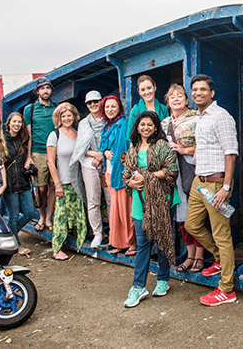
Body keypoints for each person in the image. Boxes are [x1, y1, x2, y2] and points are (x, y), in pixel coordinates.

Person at [184, 74, 239, 306]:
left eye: (203, 90)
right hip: (200, 181)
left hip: (217, 183)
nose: (198, 93)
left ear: (212, 93)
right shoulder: (200, 117)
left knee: (221, 235)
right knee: (191, 225)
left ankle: (226, 289)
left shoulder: (221, 116)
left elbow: (231, 152)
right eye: (195, 90)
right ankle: (218, 259)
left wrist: (225, 187)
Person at [122, 111, 179, 307]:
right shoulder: (133, 148)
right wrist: (130, 182)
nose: (146, 128)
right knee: (143, 243)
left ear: (156, 128)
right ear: (137, 127)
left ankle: (163, 279)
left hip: (162, 200)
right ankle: (138, 287)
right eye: (142, 124)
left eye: (150, 125)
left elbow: (171, 171)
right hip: (140, 201)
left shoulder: (162, 146)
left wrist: (146, 177)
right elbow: (126, 174)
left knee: (162, 239)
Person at [160, 84, 204, 273]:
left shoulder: (196, 119)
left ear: (187, 100)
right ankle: (190, 254)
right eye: (172, 97)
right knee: (180, 217)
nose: (176, 99)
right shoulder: (163, 123)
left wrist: (184, 150)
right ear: (168, 102)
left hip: (191, 170)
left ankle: (201, 256)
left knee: (197, 215)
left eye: (180, 96)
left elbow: (206, 146)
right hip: (173, 174)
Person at [46, 103, 87, 261]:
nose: (67, 118)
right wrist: (57, 184)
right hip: (62, 181)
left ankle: (78, 242)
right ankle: (56, 249)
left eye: (69, 115)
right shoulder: (54, 135)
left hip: (77, 181)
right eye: (64, 116)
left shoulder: (76, 133)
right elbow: (51, 162)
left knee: (78, 213)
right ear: (59, 118)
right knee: (61, 216)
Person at [70, 90, 110, 248]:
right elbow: (80, 148)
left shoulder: (109, 120)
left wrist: (102, 156)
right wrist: (96, 154)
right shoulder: (83, 124)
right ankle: (97, 234)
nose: (93, 105)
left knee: (110, 200)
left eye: (96, 101)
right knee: (93, 200)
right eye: (90, 103)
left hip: (108, 164)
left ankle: (113, 232)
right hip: (89, 165)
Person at [99, 95, 136, 256]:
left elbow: (123, 148)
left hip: (120, 172)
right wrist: (105, 151)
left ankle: (131, 243)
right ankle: (118, 242)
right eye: (107, 107)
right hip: (109, 173)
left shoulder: (123, 124)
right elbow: (103, 146)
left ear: (119, 108)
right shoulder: (106, 127)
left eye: (113, 106)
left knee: (125, 210)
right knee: (115, 211)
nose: (110, 110)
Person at [24, 76, 58, 232]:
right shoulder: (29, 109)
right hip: (38, 152)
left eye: (48, 88)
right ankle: (41, 216)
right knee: (41, 188)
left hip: (55, 152)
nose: (46, 91)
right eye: (42, 88)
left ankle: (49, 218)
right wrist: (28, 157)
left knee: (52, 186)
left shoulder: (56, 108)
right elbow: (28, 135)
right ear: (37, 91)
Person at [3, 112, 38, 256]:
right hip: (10, 183)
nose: (17, 124)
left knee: (30, 212)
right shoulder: (2, 140)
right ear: (9, 123)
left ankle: (8, 236)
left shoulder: (23, 138)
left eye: (19, 122)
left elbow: (28, 151)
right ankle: (16, 245)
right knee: (13, 216)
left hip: (23, 182)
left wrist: (29, 159)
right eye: (14, 122)